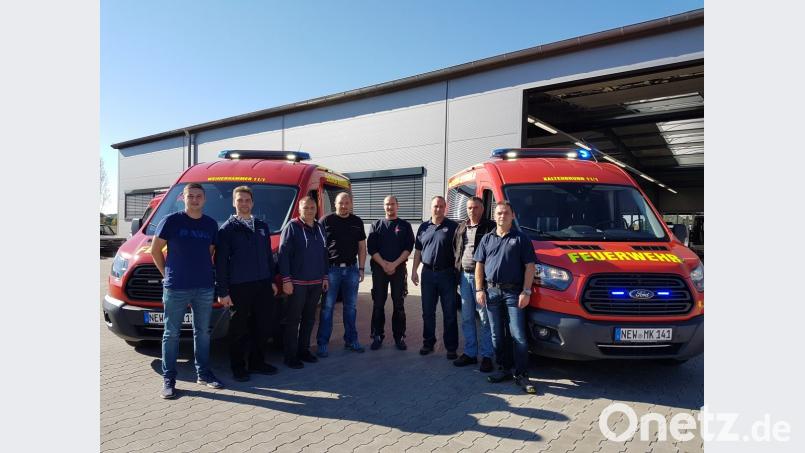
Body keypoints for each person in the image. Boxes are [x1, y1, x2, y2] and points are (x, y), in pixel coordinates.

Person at [151, 183, 223, 399]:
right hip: (176, 287)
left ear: (204, 199)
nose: (194, 199)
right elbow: (156, 250)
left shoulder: (210, 224)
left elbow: (210, 251)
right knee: (171, 334)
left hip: (203, 287)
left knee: (202, 332)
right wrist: (167, 274)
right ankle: (169, 379)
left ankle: (203, 374)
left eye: (198, 196)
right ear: (183, 198)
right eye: (190, 196)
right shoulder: (171, 221)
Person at [215, 186, 279, 382]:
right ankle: (238, 367)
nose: (243, 203)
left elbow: (268, 257)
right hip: (239, 286)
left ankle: (257, 362)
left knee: (262, 326)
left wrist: (271, 281)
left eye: (247, 200)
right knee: (239, 329)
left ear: (252, 203)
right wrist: (223, 291)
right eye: (240, 200)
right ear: (234, 203)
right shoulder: (227, 229)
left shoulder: (261, 226)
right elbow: (221, 263)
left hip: (262, 285)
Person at [474, 200, 538, 394]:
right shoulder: (486, 239)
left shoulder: (521, 239)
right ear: (494, 216)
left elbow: (530, 267)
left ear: (513, 216)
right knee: (496, 335)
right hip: (491, 292)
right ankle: (504, 369)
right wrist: (479, 289)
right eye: (499, 213)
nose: (502, 216)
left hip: (514, 294)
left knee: (518, 335)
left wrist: (526, 292)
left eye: (506, 213)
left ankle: (522, 375)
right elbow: (480, 265)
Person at [278, 196, 329, 369]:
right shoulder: (292, 227)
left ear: (316, 209)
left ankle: (303, 350)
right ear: (299, 209)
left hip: (316, 283)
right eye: (306, 207)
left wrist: (325, 277)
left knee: (309, 319)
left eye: (312, 207)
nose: (309, 210)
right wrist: (286, 280)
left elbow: (324, 254)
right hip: (297, 283)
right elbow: (283, 254)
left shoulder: (320, 228)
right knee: (293, 320)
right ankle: (290, 356)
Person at [316, 192, 367, 357]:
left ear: (351, 204)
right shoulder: (325, 220)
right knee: (327, 308)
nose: (344, 206)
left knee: (350, 308)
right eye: (340, 203)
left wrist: (361, 268)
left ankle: (351, 340)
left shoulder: (357, 221)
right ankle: (322, 343)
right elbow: (319, 248)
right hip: (332, 270)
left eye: (347, 203)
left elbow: (362, 247)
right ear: (335, 204)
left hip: (352, 270)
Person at [412, 196, 460, 358]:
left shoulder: (453, 227)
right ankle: (428, 343)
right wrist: (414, 271)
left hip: (447, 274)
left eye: (441, 206)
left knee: (450, 313)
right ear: (430, 208)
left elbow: (458, 252)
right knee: (427, 312)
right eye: (435, 206)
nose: (438, 209)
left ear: (445, 208)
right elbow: (418, 250)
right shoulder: (423, 227)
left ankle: (451, 347)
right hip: (427, 274)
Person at [452, 196, 496, 372]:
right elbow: (455, 249)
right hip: (463, 277)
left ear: (482, 209)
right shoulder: (461, 226)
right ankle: (470, 353)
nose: (472, 211)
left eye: (476, 207)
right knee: (467, 317)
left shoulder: (489, 227)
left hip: (482, 280)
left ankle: (487, 356)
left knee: (485, 318)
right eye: (469, 208)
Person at [367, 195, 415, 350]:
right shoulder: (376, 225)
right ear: (383, 206)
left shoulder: (405, 226)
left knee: (398, 304)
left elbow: (408, 248)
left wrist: (394, 264)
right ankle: (377, 335)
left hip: (399, 269)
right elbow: (372, 249)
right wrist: (384, 264)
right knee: (378, 304)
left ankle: (399, 336)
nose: (390, 207)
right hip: (379, 270)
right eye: (387, 204)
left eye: (392, 204)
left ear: (398, 206)